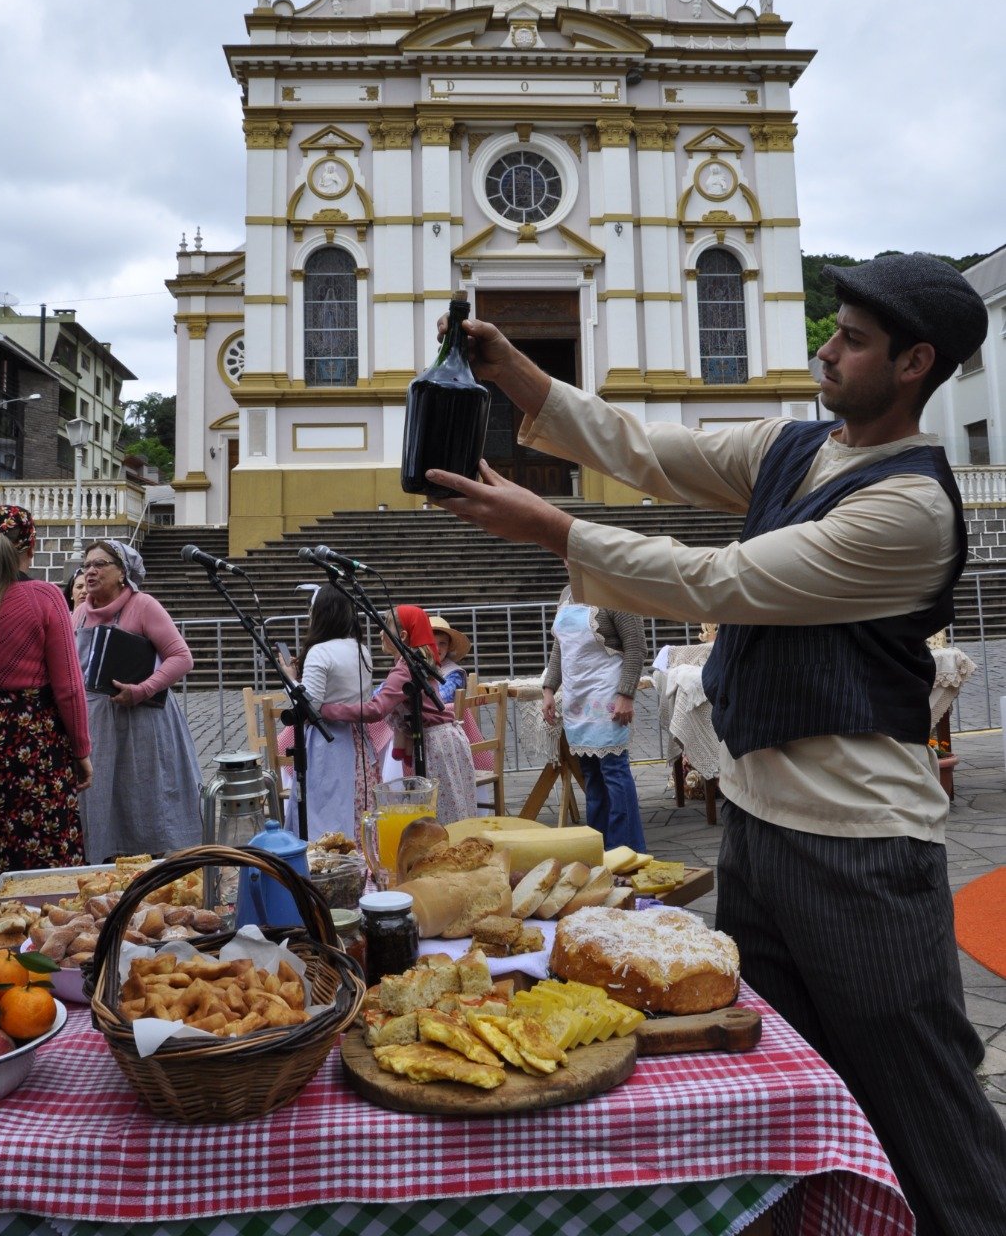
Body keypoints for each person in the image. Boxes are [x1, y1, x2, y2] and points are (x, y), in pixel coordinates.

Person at [425, 252, 1006, 1236]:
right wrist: (516, 373)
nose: (829, 345)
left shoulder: (908, 507)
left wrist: (556, 530)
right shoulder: (797, 448)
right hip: (762, 828)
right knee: (784, 1090)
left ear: (914, 364)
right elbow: (651, 450)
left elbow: (719, 581)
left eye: (854, 338)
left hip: (861, 846)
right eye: (836, 325)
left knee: (922, 1101)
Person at [0, 505, 91, 904]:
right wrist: (81, 751)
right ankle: (46, 949)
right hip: (33, 747)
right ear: (33, 546)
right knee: (44, 858)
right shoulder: (45, 597)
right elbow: (69, 688)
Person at [74, 539, 202, 863]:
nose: (91, 571)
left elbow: (181, 657)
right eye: (87, 564)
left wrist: (143, 689)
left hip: (141, 724)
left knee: (144, 799)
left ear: (122, 573)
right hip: (98, 728)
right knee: (103, 802)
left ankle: (151, 875)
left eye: (100, 564)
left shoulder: (143, 605)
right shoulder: (77, 615)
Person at [340, 605, 476, 826]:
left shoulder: (405, 668)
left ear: (402, 636)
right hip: (445, 741)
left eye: (385, 627)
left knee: (440, 819)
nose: (380, 633)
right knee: (452, 814)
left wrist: (330, 709)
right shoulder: (417, 661)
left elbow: (376, 709)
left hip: (434, 746)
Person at [541, 588, 646, 851]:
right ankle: (599, 848)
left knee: (613, 770)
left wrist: (626, 694)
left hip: (607, 693)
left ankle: (626, 849)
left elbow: (636, 646)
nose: (567, 560)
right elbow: (560, 647)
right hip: (577, 697)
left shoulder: (614, 589)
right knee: (590, 774)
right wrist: (549, 689)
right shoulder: (565, 593)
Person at [278, 583, 378, 844]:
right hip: (359, 741)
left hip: (328, 743)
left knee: (325, 817)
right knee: (358, 811)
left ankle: (323, 869)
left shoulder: (319, 652)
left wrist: (289, 678)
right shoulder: (361, 649)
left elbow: (308, 707)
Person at [429, 614, 496, 811]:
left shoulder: (453, 673)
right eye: (432, 643)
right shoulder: (413, 667)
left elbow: (442, 698)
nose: (437, 648)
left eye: (442, 643)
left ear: (449, 647)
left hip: (451, 737)